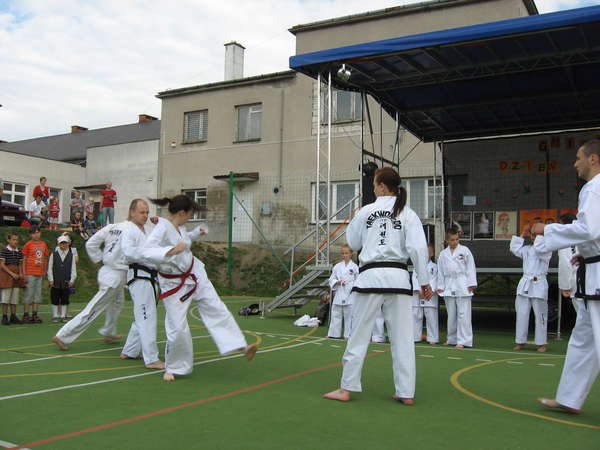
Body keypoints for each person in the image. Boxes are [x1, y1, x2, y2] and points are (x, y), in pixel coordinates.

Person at [323, 167, 431, 404]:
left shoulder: (366, 211)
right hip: (398, 279)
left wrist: (355, 219)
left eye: (374, 184)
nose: (373, 188)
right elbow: (418, 249)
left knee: (358, 335)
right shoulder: (408, 213)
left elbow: (353, 243)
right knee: (403, 339)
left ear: (382, 186)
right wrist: (424, 281)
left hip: (370, 279)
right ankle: (406, 392)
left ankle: (346, 388)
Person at [146, 194, 257, 381]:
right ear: (182, 212)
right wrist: (171, 251)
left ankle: (239, 345)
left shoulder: (180, 227)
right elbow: (147, 250)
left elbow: (185, 240)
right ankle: (173, 367)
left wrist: (197, 232)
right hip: (173, 283)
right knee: (177, 326)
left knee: (215, 306)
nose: (190, 218)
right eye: (190, 214)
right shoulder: (162, 227)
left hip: (195, 273)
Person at [532, 139, 600, 415]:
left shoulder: (593, 188)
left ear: (593, 159)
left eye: (578, 158)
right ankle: (570, 398)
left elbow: (588, 229)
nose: (575, 164)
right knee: (583, 340)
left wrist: (546, 230)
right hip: (592, 271)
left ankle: (569, 398)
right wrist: (586, 253)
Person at [52, 219, 128, 350]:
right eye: (143, 212)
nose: (145, 216)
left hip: (109, 272)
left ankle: (109, 331)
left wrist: (100, 260)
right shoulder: (134, 230)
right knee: (93, 309)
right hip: (114, 276)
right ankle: (62, 335)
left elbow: (91, 243)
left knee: (117, 302)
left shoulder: (112, 227)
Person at [119, 199, 168, 369]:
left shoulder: (148, 230)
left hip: (152, 276)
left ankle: (130, 350)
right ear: (132, 212)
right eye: (142, 212)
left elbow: (162, 245)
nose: (145, 215)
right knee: (147, 316)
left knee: (143, 314)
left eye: (147, 212)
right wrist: (148, 254)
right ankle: (151, 358)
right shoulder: (128, 229)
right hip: (139, 276)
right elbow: (128, 252)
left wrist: (160, 224)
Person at [510, 225, 552, 352]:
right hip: (525, 283)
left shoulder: (547, 249)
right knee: (522, 313)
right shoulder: (527, 249)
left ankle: (541, 343)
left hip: (539, 283)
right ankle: (520, 341)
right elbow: (514, 248)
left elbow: (539, 248)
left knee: (540, 315)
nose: (534, 238)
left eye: (537, 235)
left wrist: (539, 234)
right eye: (533, 235)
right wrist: (523, 234)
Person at [436, 228, 477, 349]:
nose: (455, 242)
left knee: (463, 315)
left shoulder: (465, 250)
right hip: (449, 284)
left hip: (463, 283)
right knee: (451, 315)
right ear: (447, 240)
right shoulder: (443, 254)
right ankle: (452, 339)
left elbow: (471, 267)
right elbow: (440, 271)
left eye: (457, 239)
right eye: (452, 240)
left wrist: (471, 283)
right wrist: (440, 286)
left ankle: (464, 341)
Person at [327, 245, 358, 339]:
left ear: (351, 254)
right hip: (339, 292)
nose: (344, 255)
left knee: (349, 315)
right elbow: (331, 279)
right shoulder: (337, 266)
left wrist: (352, 288)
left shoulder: (355, 267)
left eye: (346, 253)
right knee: (336, 314)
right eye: (343, 253)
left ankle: (348, 335)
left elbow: (358, 280)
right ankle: (333, 334)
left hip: (350, 293)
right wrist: (337, 282)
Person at [412, 243, 439, 345]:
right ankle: (415, 337)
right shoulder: (416, 266)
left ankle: (433, 338)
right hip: (418, 294)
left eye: (428, 253)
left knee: (431, 317)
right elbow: (414, 278)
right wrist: (419, 290)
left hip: (429, 295)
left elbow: (435, 279)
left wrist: (429, 291)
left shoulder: (435, 267)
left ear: (432, 254)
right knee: (416, 316)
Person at [21, 226, 49, 323]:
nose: (36, 235)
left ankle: (34, 314)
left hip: (39, 273)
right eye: (34, 233)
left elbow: (45, 258)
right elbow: (24, 259)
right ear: (30, 235)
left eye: (38, 232)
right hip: (30, 272)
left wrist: (45, 270)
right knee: (28, 294)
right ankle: (26, 315)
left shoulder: (43, 244)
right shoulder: (28, 244)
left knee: (37, 294)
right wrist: (24, 273)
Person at [47, 235, 77, 322]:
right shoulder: (53, 254)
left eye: (65, 243)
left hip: (66, 280)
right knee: (55, 298)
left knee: (65, 298)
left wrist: (72, 280)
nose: (63, 245)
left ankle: (63, 315)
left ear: (68, 244)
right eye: (61, 243)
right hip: (55, 280)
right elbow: (50, 268)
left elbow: (73, 269)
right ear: (58, 244)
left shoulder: (71, 255)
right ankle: (55, 315)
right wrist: (51, 279)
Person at [557, 213, 579, 313]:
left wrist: (565, 286)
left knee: (583, 317)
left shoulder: (565, 241)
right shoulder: (584, 236)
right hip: (590, 282)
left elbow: (565, 264)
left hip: (576, 282)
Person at [0, 232, 24, 325]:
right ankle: (4, 317)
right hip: (7, 275)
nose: (15, 241)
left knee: (15, 297)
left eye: (17, 240)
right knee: (6, 297)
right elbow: (2, 265)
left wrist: (21, 273)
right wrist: (12, 274)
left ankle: (13, 316)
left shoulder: (19, 252)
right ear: (8, 240)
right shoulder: (4, 251)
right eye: (13, 239)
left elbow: (20, 264)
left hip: (16, 276)